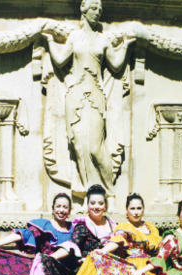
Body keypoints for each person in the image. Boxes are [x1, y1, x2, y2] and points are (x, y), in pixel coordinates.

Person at [43, 0, 135, 208]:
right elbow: (59, 60)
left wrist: (127, 47)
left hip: (95, 94)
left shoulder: (103, 40)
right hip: (74, 93)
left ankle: (108, 192)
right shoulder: (74, 37)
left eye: (100, 10)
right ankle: (87, 195)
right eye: (94, 9)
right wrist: (49, 41)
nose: (98, 13)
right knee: (77, 146)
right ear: (84, 11)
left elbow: (117, 64)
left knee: (94, 147)